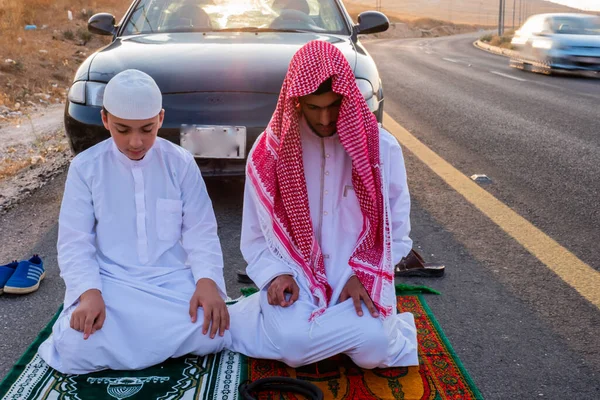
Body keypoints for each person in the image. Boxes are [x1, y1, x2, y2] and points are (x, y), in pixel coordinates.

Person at [228, 41, 418, 369]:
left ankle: (303, 332)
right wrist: (275, 275)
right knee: (294, 347)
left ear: (347, 96)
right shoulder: (269, 152)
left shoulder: (381, 150)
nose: (326, 118)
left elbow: (397, 234)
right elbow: (256, 238)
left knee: (373, 351)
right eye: (314, 108)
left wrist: (365, 277)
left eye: (333, 105)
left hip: (354, 281)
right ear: (296, 101)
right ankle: (314, 334)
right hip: (297, 279)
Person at [38, 69, 230, 374]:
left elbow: (200, 231)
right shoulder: (85, 168)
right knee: (74, 347)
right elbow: (76, 241)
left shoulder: (180, 162)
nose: (136, 142)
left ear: (161, 119)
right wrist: (89, 293)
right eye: (123, 129)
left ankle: (141, 340)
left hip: (170, 281)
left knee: (215, 333)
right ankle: (158, 341)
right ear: (105, 120)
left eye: (147, 128)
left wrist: (207, 283)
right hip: (111, 283)